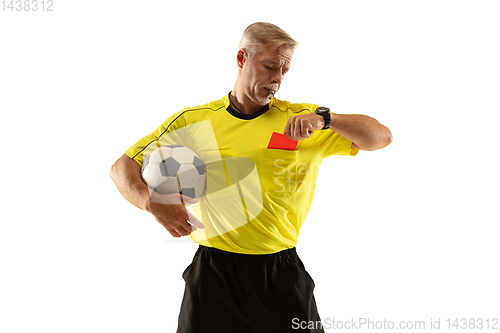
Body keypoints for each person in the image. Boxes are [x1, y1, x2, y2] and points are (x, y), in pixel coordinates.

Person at [110, 22, 392, 333]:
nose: (277, 79)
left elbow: (381, 138)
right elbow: (122, 167)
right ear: (242, 58)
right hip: (213, 274)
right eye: (270, 66)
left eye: (284, 71)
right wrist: (150, 202)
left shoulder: (302, 120)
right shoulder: (197, 121)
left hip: (281, 273)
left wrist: (326, 119)